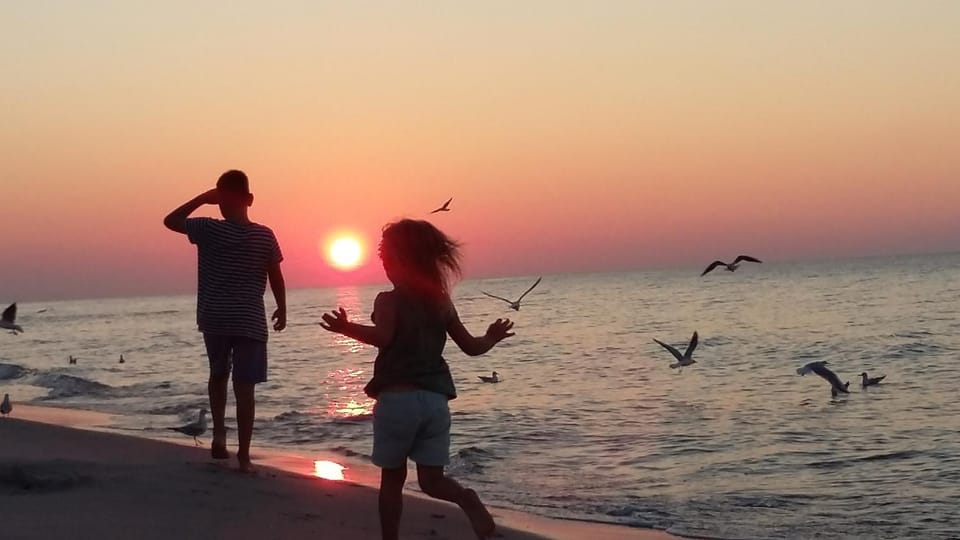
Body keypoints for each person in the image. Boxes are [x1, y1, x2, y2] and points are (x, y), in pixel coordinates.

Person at [320, 219, 513, 540]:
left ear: (400, 260)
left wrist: (346, 328)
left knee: (392, 479)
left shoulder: (389, 300)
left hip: (398, 401)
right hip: (436, 403)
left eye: (386, 259)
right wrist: (491, 337)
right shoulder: (441, 300)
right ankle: (466, 498)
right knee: (432, 480)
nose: (385, 266)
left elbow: (383, 337)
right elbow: (471, 347)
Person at [163, 169, 286, 472]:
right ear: (250, 199)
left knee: (218, 375)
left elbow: (171, 220)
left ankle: (219, 432)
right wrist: (282, 308)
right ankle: (244, 455)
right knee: (245, 388)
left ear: (219, 199)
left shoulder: (208, 228)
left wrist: (201, 199)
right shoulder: (264, 235)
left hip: (215, 316)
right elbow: (276, 275)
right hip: (249, 320)